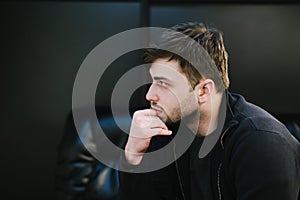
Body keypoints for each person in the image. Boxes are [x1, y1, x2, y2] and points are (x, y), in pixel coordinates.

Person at [118, 22, 300, 200]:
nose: (150, 95)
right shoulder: (163, 132)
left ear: (204, 91)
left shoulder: (262, 144)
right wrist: (133, 156)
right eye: (153, 82)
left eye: (163, 83)